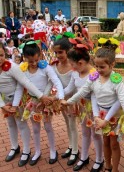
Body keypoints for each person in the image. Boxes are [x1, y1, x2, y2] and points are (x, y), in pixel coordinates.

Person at [62, 39, 124, 172]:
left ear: (112, 64)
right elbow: (84, 92)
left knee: (114, 144)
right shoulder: (94, 78)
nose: (98, 70)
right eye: (96, 66)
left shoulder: (117, 81)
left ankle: (115, 169)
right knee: (105, 142)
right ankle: (107, 165)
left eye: (102, 67)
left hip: (113, 117)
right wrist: (69, 102)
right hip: (100, 116)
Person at [0, 42, 51, 167]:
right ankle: (14, 147)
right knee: (10, 124)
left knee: (21, 124)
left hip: (17, 101)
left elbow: (24, 83)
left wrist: (41, 96)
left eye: (0, 55)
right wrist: (2, 105)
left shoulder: (12, 67)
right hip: (5, 102)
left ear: (5, 53)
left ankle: (26, 150)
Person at [16, 40, 65, 165]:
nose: (33, 63)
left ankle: (53, 151)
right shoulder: (23, 69)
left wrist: (59, 96)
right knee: (36, 128)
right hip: (33, 102)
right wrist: (15, 104)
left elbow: (55, 81)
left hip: (46, 102)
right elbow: (21, 87)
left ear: (40, 56)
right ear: (24, 58)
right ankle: (37, 151)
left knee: (48, 126)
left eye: (36, 60)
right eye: (30, 61)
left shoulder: (45, 67)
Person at [63, 40, 107, 171]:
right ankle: (84, 156)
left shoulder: (94, 74)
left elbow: (95, 95)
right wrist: (56, 96)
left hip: (95, 109)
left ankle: (99, 159)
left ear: (80, 63)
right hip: (82, 107)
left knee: (96, 134)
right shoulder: (76, 73)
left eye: (72, 64)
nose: (71, 67)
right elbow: (69, 89)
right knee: (85, 132)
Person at [51, 38, 80, 166]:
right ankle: (70, 145)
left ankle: (75, 150)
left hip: (72, 100)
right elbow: (55, 82)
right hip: (62, 100)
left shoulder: (73, 66)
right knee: (67, 123)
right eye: (56, 53)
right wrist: (58, 97)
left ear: (68, 51)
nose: (58, 55)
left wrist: (61, 97)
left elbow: (72, 87)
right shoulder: (55, 65)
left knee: (73, 124)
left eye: (61, 52)